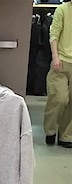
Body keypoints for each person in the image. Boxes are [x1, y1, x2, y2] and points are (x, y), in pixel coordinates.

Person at [43, 0, 72, 148]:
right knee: (59, 98)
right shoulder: (62, 9)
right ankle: (50, 130)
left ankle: (65, 135)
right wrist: (55, 57)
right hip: (61, 61)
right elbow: (54, 34)